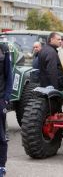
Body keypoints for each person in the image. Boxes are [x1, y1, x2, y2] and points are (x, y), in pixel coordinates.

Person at [0, 42, 13, 177]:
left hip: (0, 100)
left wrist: (6, 98)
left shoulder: (3, 50)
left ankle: (1, 166)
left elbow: (9, 75)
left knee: (1, 136)